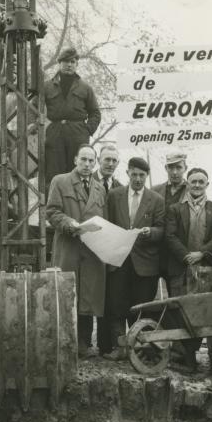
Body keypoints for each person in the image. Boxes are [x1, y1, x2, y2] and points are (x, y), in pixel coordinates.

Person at [165, 167, 212, 371]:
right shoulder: (175, 209)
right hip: (182, 268)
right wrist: (186, 256)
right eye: (193, 181)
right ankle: (181, 358)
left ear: (207, 185)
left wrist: (201, 254)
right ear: (187, 183)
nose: (196, 185)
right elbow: (170, 236)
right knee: (182, 312)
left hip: (210, 268)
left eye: (200, 182)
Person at [46, 144, 107, 355]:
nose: (87, 164)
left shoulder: (100, 188)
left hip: (91, 251)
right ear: (75, 160)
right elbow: (52, 212)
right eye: (83, 159)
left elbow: (103, 220)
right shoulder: (60, 181)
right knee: (66, 293)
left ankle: (84, 343)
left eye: (91, 161)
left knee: (88, 296)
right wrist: (70, 223)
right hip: (68, 247)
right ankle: (64, 342)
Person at [102, 157, 165, 360]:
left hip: (145, 263)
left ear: (146, 176)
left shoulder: (156, 199)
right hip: (119, 260)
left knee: (141, 307)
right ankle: (120, 347)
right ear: (127, 173)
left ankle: (140, 348)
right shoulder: (114, 196)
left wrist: (150, 232)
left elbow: (162, 229)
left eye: (142, 175)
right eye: (134, 174)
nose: (138, 179)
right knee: (117, 305)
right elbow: (107, 225)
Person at [43, 47, 101, 184]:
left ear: (76, 64)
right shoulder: (47, 87)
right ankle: (53, 204)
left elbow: (95, 113)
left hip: (77, 135)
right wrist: (40, 129)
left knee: (78, 172)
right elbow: (33, 109)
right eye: (65, 61)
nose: (69, 65)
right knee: (53, 173)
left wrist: (87, 130)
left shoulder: (85, 88)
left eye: (73, 62)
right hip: (55, 134)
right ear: (59, 63)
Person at [95, 143, 123, 356]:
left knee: (111, 297)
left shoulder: (121, 188)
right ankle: (85, 342)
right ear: (99, 160)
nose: (110, 164)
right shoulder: (88, 181)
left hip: (112, 249)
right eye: (107, 159)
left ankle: (108, 345)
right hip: (90, 246)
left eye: (114, 161)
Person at [152, 150, 189, 295]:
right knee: (153, 298)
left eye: (178, 167)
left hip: (178, 255)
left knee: (177, 297)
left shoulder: (192, 190)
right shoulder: (155, 191)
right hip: (156, 253)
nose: (174, 172)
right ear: (165, 168)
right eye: (171, 167)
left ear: (185, 168)